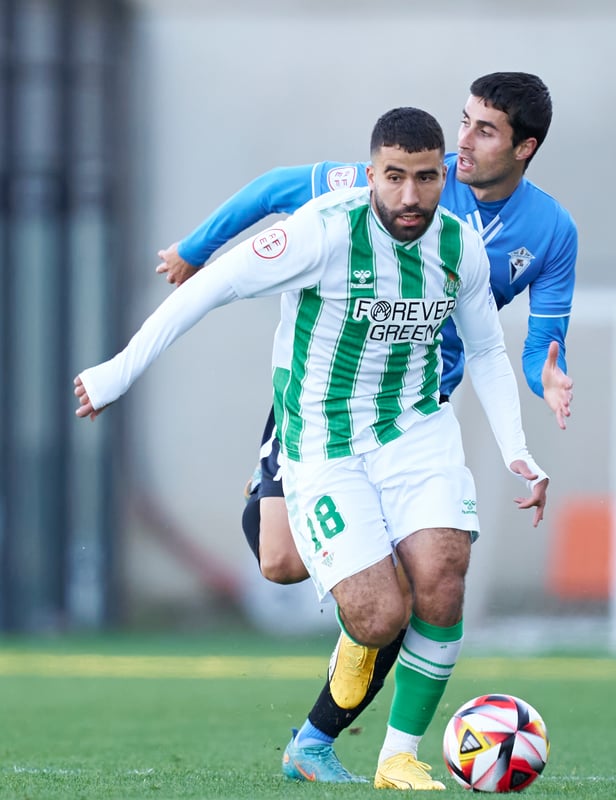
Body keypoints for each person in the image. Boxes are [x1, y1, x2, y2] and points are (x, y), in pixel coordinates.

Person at [74, 107, 551, 790]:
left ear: (441, 176)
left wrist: (517, 450)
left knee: (443, 578)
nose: (410, 195)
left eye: (425, 178)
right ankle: (280, 519)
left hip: (416, 430)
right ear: (371, 174)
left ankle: (398, 758)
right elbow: (209, 289)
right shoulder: (321, 232)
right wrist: (117, 373)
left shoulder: (459, 246)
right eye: (394, 177)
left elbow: (486, 350)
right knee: (372, 611)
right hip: (323, 442)